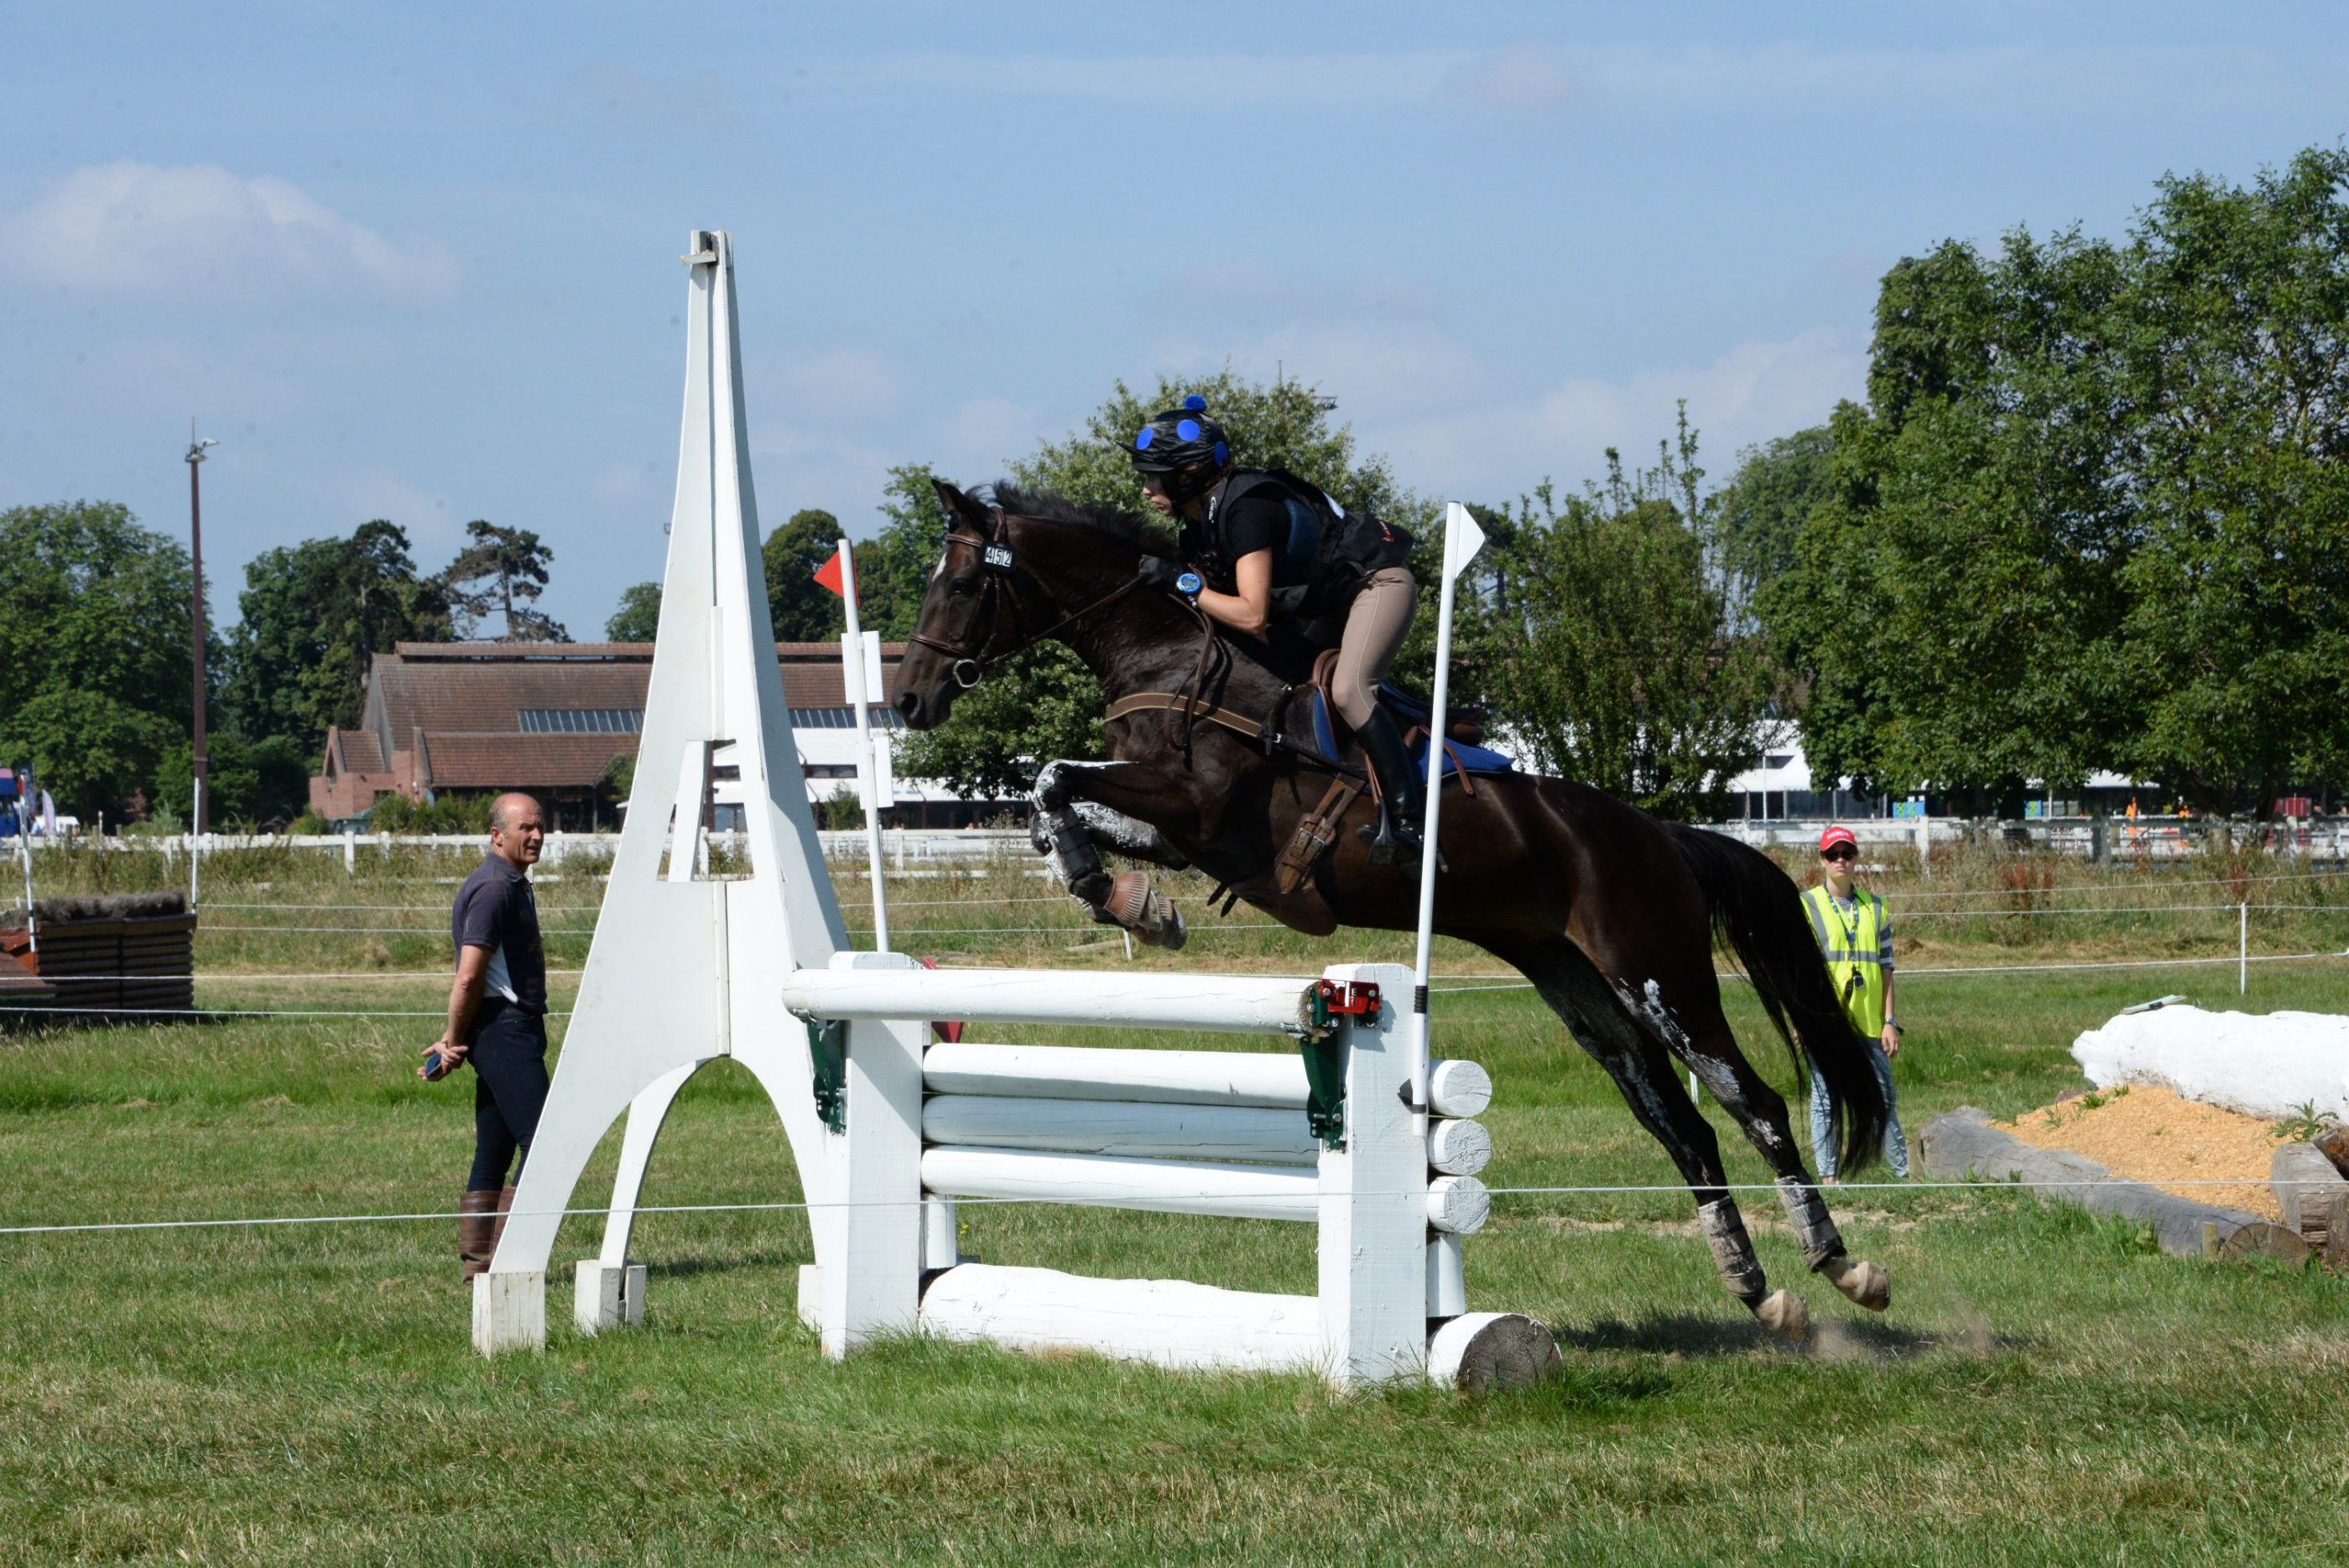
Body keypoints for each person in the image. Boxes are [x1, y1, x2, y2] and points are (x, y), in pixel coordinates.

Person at [1126, 396, 1424, 864]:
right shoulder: (1197, 526)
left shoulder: (1246, 509)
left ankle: (1411, 824)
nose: (1145, 488)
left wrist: (1182, 582)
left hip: (1377, 585)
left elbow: (1251, 615)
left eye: (1151, 475)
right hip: (1330, 603)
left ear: (1186, 475)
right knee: (1286, 689)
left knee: (1349, 690)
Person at [419, 793, 549, 1278]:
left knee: (494, 1150)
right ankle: (512, 1263)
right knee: (543, 1142)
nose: (536, 835)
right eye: (525, 829)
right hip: (504, 1033)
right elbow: (470, 977)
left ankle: (480, 1266)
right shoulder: (495, 888)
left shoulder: (509, 881)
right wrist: (453, 1039)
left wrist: (456, 1039)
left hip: (503, 1031)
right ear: (497, 836)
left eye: (540, 827)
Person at [1800, 823, 1909, 1184]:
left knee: (1883, 1100)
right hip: (1826, 1023)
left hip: (1868, 1022)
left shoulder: (1876, 906)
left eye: (1847, 853)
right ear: (1822, 860)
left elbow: (1887, 967)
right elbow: (1798, 970)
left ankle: (1903, 1175)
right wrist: (1803, 1020)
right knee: (1826, 1102)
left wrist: (1889, 1020)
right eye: (1833, 854)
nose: (1841, 860)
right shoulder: (1808, 904)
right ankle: (1829, 1179)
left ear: (1855, 858)